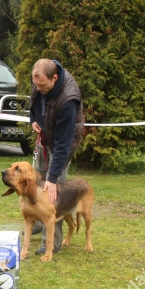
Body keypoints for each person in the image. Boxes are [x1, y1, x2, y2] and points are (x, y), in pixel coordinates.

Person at [29, 58, 84, 254]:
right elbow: (33, 102)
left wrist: (52, 179)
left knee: (53, 192)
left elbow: (63, 145)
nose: (38, 88)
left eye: (42, 85)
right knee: (37, 182)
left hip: (63, 143)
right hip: (45, 136)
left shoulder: (68, 100)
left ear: (55, 78)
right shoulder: (39, 80)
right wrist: (33, 119)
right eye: (35, 84)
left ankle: (51, 243)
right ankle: (38, 220)